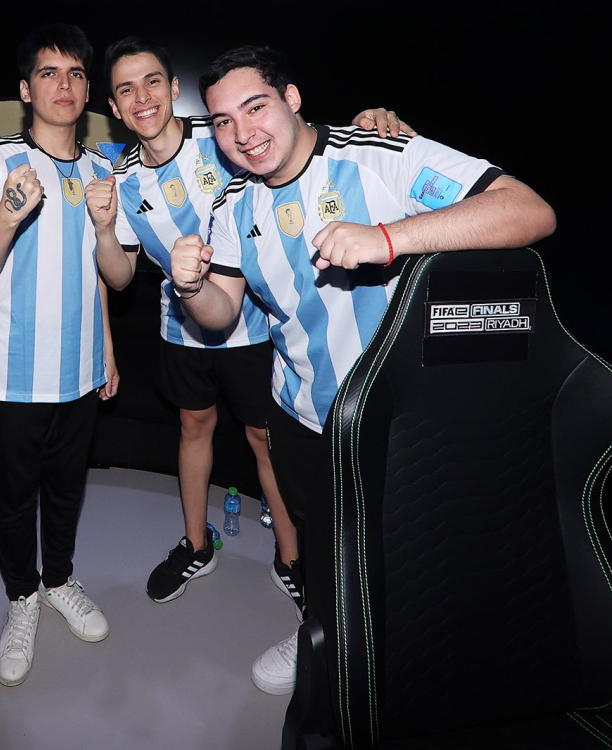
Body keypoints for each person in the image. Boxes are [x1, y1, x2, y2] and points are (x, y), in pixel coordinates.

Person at [170, 45, 556, 696]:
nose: (243, 133)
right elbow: (220, 312)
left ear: (292, 99)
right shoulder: (233, 203)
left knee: (412, 560)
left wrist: (386, 239)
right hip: (300, 416)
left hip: (400, 421)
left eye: (256, 107)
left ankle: (406, 669)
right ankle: (322, 634)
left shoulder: (378, 154)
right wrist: (189, 287)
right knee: (323, 549)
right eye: (224, 122)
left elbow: (528, 211)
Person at [91, 36, 412, 611]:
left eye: (153, 82)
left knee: (266, 440)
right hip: (182, 326)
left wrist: (372, 120)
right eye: (126, 90)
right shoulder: (122, 180)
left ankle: (291, 559)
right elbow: (118, 278)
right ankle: (196, 544)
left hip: (258, 326)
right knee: (193, 426)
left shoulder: (224, 136)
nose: (142, 98)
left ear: (173, 87)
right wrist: (102, 228)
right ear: (114, 107)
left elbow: (298, 144)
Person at [0, 23, 118, 688]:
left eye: (75, 73)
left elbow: (106, 273)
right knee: (15, 498)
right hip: (13, 374)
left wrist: (107, 352)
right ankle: (21, 597)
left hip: (80, 370)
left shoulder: (102, 168)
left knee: (68, 488)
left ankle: (59, 580)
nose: (64, 85)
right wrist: (9, 215)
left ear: (87, 88)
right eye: (49, 73)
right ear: (25, 89)